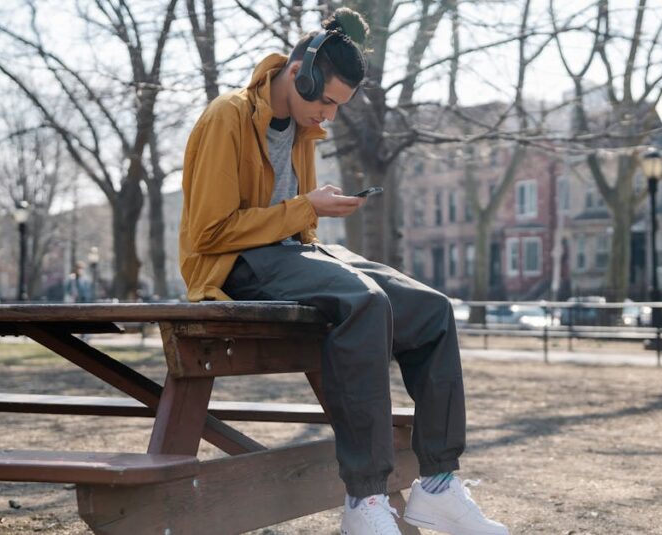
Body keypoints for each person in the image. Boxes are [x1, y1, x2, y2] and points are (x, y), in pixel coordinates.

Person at [179, 8, 508, 535]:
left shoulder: (305, 129)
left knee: (431, 310)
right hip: (232, 266)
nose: (328, 116)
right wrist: (308, 208)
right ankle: (365, 500)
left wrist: (314, 211)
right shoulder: (228, 116)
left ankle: (439, 485)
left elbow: (295, 223)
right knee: (364, 301)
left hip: (293, 252)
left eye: (337, 106)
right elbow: (208, 233)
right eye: (325, 100)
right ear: (297, 74)